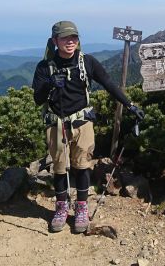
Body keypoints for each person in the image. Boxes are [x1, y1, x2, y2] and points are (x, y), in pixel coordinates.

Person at [32, 21, 145, 234]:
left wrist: (130, 105)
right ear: (55, 41)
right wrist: (49, 84)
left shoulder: (88, 62)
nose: (70, 41)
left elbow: (109, 84)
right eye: (65, 38)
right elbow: (37, 99)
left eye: (73, 37)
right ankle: (61, 208)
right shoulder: (44, 67)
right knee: (59, 168)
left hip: (82, 122)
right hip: (56, 124)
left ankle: (81, 208)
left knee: (82, 165)